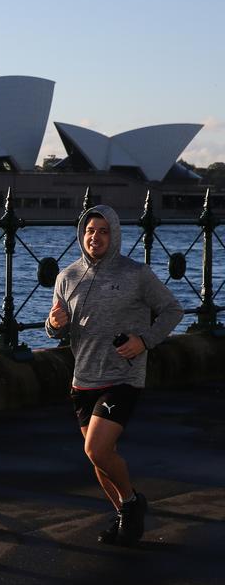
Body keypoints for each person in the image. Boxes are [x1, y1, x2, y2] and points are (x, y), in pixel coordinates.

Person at [46, 205, 182, 546]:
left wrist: (144, 341)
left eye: (104, 231)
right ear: (82, 234)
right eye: (91, 230)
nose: (96, 237)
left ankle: (132, 501)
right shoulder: (67, 276)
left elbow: (172, 309)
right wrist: (53, 324)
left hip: (123, 376)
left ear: (115, 235)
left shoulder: (136, 274)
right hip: (83, 378)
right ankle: (125, 512)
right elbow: (55, 330)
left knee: (96, 449)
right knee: (100, 458)